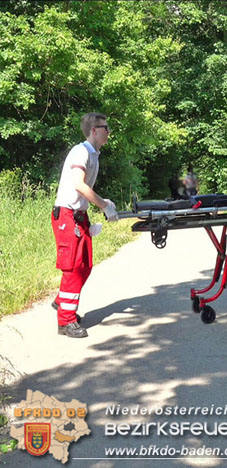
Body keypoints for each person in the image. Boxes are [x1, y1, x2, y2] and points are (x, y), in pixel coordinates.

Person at [51, 112, 119, 338]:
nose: (108, 131)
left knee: (85, 265)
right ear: (93, 130)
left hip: (78, 215)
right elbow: (79, 185)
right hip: (67, 215)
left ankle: (62, 302)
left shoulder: (94, 154)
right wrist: (103, 205)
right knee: (72, 267)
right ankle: (66, 322)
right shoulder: (81, 152)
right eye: (105, 127)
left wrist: (96, 210)